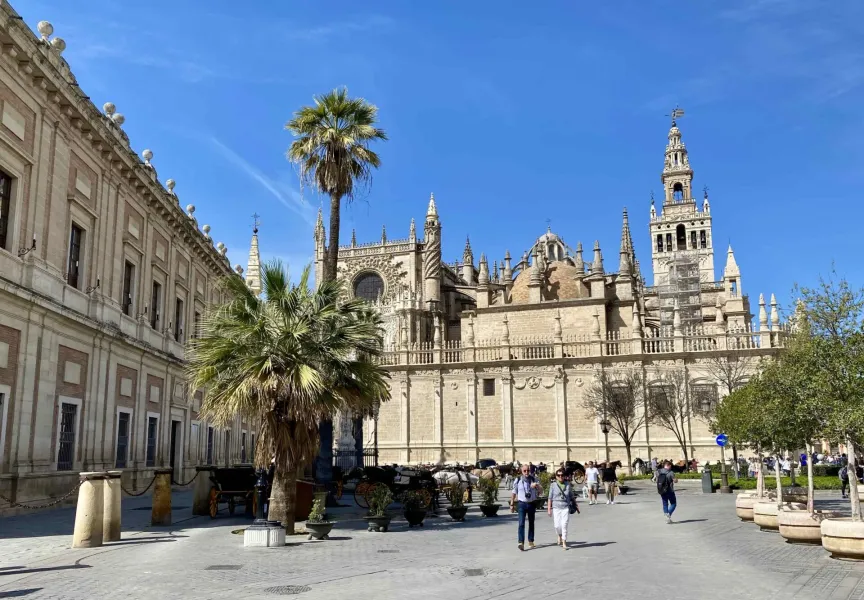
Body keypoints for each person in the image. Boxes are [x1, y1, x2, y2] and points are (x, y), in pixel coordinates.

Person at [510, 463, 541, 551]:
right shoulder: (518, 479)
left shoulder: (534, 479)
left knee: (531, 523)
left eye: (528, 470)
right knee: (521, 523)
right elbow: (514, 492)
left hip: (531, 503)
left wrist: (537, 486)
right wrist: (512, 504)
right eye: (524, 471)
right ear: (521, 471)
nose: (526, 472)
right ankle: (521, 542)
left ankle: (531, 540)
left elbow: (541, 491)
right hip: (521, 504)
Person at [547, 468, 579, 550]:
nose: (560, 477)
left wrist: (576, 505)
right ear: (556, 476)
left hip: (565, 507)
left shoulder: (568, 484)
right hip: (556, 507)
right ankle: (559, 535)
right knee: (557, 526)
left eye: (562, 475)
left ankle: (564, 542)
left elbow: (571, 496)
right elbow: (550, 497)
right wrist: (549, 509)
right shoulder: (553, 485)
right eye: (559, 475)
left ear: (564, 476)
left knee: (564, 524)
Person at [657, 460, 679, 524]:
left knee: (665, 503)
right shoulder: (671, 472)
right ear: (668, 466)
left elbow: (656, 480)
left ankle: (667, 517)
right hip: (670, 490)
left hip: (661, 490)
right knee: (673, 503)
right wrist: (676, 480)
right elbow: (675, 481)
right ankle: (668, 515)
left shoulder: (658, 471)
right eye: (670, 466)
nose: (671, 467)